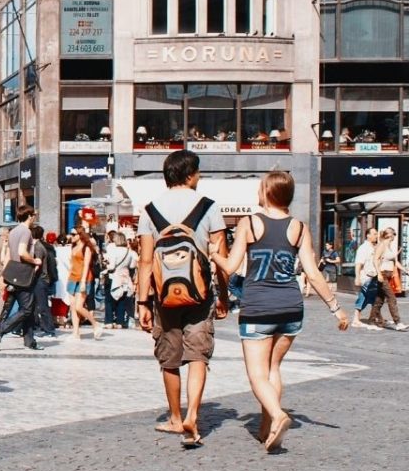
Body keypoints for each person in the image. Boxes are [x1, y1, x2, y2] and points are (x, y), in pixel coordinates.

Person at [212, 171, 349, 452]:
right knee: (273, 368)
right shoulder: (298, 228)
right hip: (290, 308)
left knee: (257, 374)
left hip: (258, 308)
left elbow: (229, 266)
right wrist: (336, 309)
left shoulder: (249, 224)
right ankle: (266, 428)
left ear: (267, 193)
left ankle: (277, 415)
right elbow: (312, 273)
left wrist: (213, 252)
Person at [136, 149, 229, 447]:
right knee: (198, 355)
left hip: (164, 298)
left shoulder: (149, 211)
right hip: (200, 295)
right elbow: (220, 258)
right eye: (198, 173)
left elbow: (146, 261)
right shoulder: (210, 207)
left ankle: (176, 417)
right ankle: (194, 416)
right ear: (190, 175)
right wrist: (223, 296)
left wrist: (142, 302)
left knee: (170, 359)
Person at [0, 206, 41, 351]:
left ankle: (29, 341)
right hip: (23, 274)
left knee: (16, 306)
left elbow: (8, 255)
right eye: (34, 216)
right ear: (30, 216)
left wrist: (4, 275)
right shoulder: (26, 231)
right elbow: (22, 252)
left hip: (12, 273)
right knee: (27, 309)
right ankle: (1, 330)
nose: (35, 218)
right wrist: (34, 261)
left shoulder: (12, 232)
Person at [67, 225, 105, 341]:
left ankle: (95, 324)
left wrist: (83, 281)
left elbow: (86, 265)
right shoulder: (73, 247)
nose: (71, 236)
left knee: (79, 306)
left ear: (80, 235)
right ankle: (76, 333)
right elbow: (72, 263)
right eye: (71, 234)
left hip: (84, 278)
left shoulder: (87, 248)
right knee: (73, 307)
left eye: (73, 234)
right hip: (72, 278)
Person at [368, 228, 406, 330]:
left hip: (387, 275)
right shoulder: (382, 245)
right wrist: (379, 274)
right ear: (390, 235)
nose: (394, 236)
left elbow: (394, 261)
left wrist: (405, 270)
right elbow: (375, 259)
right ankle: (398, 322)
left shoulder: (389, 246)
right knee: (391, 298)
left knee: (379, 300)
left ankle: (371, 321)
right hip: (383, 275)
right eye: (394, 234)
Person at [102, 232, 137, 329]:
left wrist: (106, 265)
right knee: (122, 300)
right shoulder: (129, 252)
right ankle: (119, 321)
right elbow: (132, 265)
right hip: (125, 277)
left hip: (113, 276)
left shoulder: (113, 251)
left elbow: (112, 266)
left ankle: (109, 321)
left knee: (109, 300)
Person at [351, 228, 380, 330]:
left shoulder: (374, 247)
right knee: (364, 297)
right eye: (374, 234)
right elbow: (358, 264)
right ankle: (356, 319)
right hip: (366, 277)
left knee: (373, 297)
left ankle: (374, 317)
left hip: (374, 276)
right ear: (368, 235)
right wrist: (357, 277)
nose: (376, 236)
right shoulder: (363, 248)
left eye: (377, 234)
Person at [32, 226, 59, 337]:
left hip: (40, 279)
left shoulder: (38, 247)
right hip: (42, 279)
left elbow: (38, 263)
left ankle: (49, 329)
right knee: (36, 305)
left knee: (42, 305)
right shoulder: (44, 246)